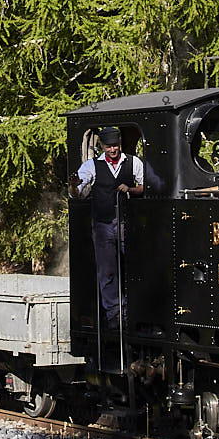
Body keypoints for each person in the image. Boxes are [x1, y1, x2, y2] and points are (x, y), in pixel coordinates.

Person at [73, 126, 158, 326]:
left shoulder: (133, 162)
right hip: (103, 224)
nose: (113, 150)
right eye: (109, 146)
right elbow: (76, 192)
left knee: (134, 266)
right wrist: (73, 186)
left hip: (127, 222)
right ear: (102, 146)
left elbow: (148, 185)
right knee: (108, 270)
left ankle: (136, 309)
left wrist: (131, 189)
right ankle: (114, 314)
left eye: (116, 146)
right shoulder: (91, 166)